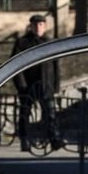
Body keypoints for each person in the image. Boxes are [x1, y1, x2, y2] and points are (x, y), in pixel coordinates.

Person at [10, 14, 63, 151]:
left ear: (44, 26)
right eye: (35, 25)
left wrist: (56, 85)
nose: (38, 27)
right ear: (31, 26)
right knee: (24, 113)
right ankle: (24, 140)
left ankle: (54, 139)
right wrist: (21, 85)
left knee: (51, 114)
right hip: (28, 86)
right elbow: (15, 65)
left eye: (41, 25)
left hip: (46, 85)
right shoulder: (22, 42)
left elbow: (56, 65)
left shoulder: (50, 42)